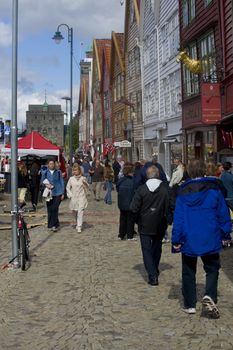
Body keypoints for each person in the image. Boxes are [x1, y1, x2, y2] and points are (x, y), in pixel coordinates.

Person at [172, 159, 232, 318]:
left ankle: (190, 304)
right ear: (204, 170)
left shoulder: (182, 193)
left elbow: (178, 219)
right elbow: (223, 215)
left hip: (189, 236)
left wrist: (176, 239)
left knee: (188, 270)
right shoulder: (214, 191)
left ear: (189, 172)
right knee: (212, 268)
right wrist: (225, 233)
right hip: (210, 234)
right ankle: (210, 295)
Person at [130, 165, 170, 286]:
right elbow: (172, 205)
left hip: (144, 223)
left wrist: (137, 220)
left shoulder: (141, 189)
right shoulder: (165, 189)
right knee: (157, 248)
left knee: (147, 250)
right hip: (160, 222)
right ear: (158, 174)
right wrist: (168, 218)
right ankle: (154, 269)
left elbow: (133, 208)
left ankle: (152, 275)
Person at [41, 159, 64, 232]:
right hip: (49, 193)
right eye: (50, 164)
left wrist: (63, 193)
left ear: (54, 164)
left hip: (58, 192)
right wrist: (46, 185)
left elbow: (61, 181)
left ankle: (54, 225)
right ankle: (51, 224)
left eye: (53, 164)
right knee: (50, 209)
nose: (51, 165)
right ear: (48, 165)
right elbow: (42, 182)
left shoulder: (58, 172)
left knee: (55, 208)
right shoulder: (45, 172)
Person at [66, 164, 89, 233]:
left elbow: (87, 187)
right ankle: (77, 222)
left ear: (79, 170)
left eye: (76, 170)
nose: (75, 171)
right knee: (74, 211)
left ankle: (79, 226)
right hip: (74, 197)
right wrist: (70, 194)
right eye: (74, 170)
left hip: (81, 197)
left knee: (80, 211)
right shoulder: (71, 179)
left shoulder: (83, 178)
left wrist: (85, 184)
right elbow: (67, 187)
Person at [116, 163, 136, 240]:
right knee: (130, 220)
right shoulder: (133, 181)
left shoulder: (120, 180)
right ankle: (130, 236)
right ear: (130, 172)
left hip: (122, 203)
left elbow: (117, 189)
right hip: (130, 203)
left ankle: (121, 235)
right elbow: (136, 192)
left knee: (122, 219)